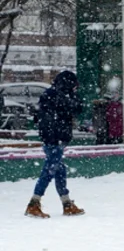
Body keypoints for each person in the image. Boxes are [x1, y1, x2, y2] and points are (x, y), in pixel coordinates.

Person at [24, 70, 85, 218]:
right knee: (49, 171)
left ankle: (66, 203)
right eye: (74, 86)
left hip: (53, 139)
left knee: (59, 170)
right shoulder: (58, 96)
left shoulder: (51, 94)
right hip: (54, 139)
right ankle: (34, 202)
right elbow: (77, 108)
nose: (75, 89)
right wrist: (54, 138)